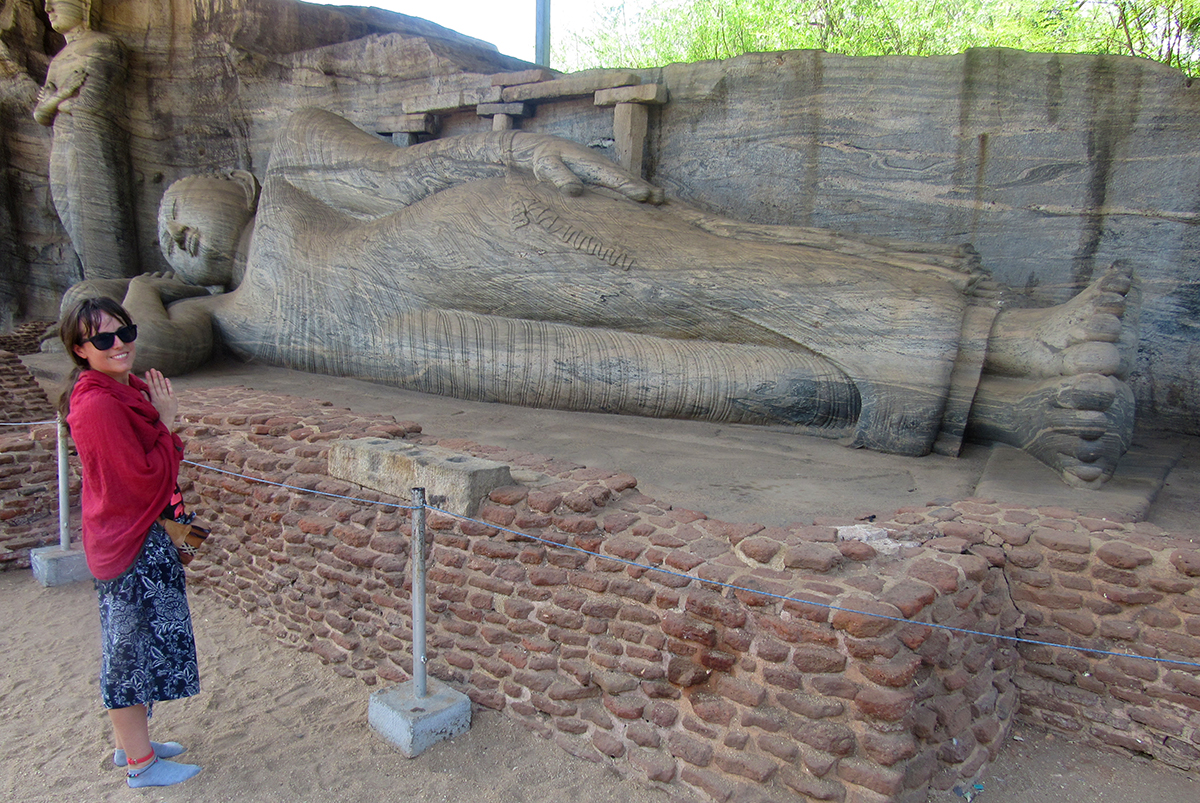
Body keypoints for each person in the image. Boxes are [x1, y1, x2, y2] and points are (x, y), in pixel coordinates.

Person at [65, 108, 1136, 489]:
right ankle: (1008, 411)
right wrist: (137, 286)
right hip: (444, 342)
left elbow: (417, 171)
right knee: (698, 381)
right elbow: (155, 341)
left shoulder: (298, 178)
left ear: (232, 188)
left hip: (475, 239)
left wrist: (527, 152)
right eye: (167, 245)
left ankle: (1023, 335)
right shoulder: (219, 316)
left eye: (181, 217)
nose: (179, 239)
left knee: (707, 281)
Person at [57, 296, 202, 788]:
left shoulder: (126, 391)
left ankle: (131, 746)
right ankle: (142, 767)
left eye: (125, 332)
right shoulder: (99, 404)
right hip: (129, 543)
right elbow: (140, 481)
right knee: (129, 653)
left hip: (137, 539)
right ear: (81, 349)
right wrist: (167, 423)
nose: (118, 344)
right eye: (103, 339)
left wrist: (158, 418)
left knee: (140, 645)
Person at [33, 0, 137, 279]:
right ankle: (90, 294)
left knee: (97, 221)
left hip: (94, 143)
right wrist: (61, 96)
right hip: (62, 144)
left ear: (84, 5)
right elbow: (40, 114)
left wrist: (55, 103)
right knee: (71, 219)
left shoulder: (105, 46)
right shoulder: (58, 60)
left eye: (54, 1)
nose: (48, 9)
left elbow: (91, 103)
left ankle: (113, 292)